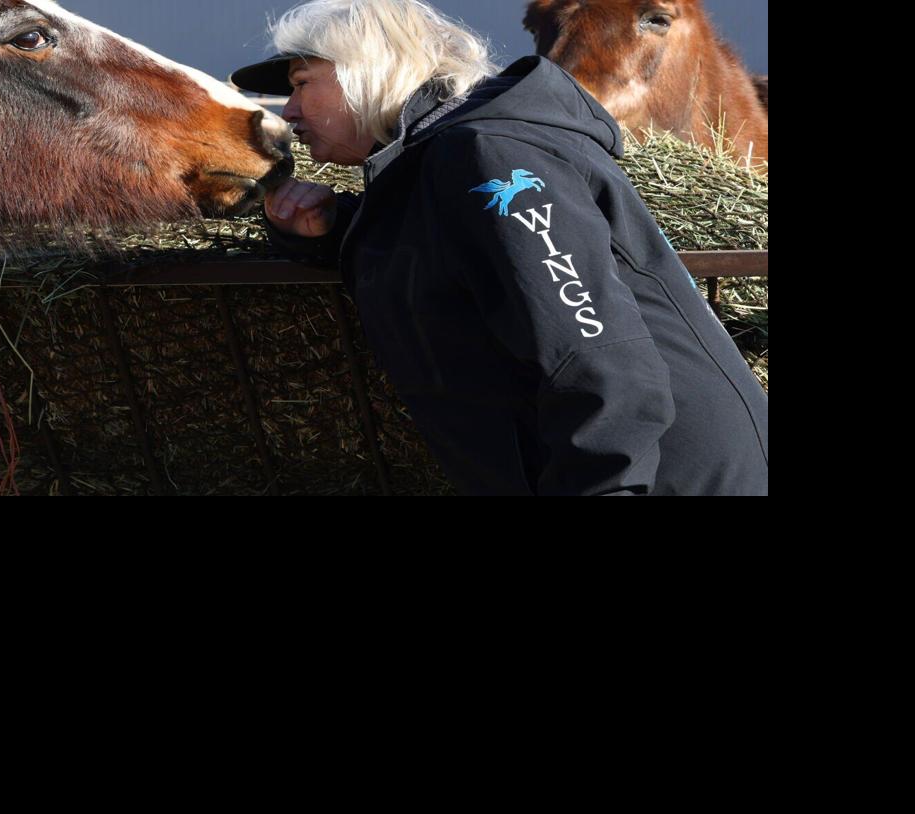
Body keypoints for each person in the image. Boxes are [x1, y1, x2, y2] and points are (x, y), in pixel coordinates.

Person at [232, 0, 768, 495]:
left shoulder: (488, 154)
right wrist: (329, 228)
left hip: (669, 478)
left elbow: (596, 360)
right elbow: (458, 255)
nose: (292, 111)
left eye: (304, 83)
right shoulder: (436, 165)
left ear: (369, 71)